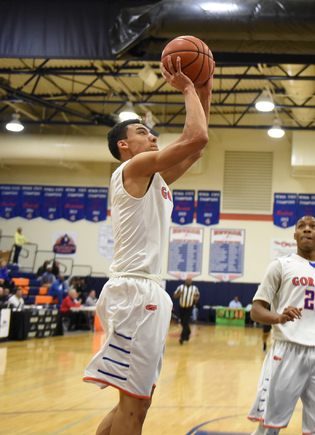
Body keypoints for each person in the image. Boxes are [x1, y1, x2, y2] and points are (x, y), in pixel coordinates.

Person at [83, 54, 212, 435]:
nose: (152, 135)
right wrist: (188, 87)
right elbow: (196, 136)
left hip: (145, 292)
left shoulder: (154, 179)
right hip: (136, 292)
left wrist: (204, 87)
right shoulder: (131, 169)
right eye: (142, 132)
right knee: (134, 407)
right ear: (124, 145)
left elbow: (198, 147)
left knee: (136, 402)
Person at [248, 216, 315, 435]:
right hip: (288, 351)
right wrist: (278, 317)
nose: (307, 230)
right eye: (301, 227)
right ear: (294, 235)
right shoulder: (280, 266)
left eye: (313, 227)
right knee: (269, 429)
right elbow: (256, 311)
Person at [173, 278, 200, 345]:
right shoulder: (181, 287)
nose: (188, 282)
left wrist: (196, 299)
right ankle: (188, 332)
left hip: (189, 308)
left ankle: (182, 338)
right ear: (185, 281)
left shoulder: (194, 288)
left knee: (185, 321)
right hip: (181, 307)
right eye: (187, 281)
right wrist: (179, 294)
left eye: (189, 281)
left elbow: (197, 296)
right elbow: (174, 295)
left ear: (191, 282)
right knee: (182, 322)